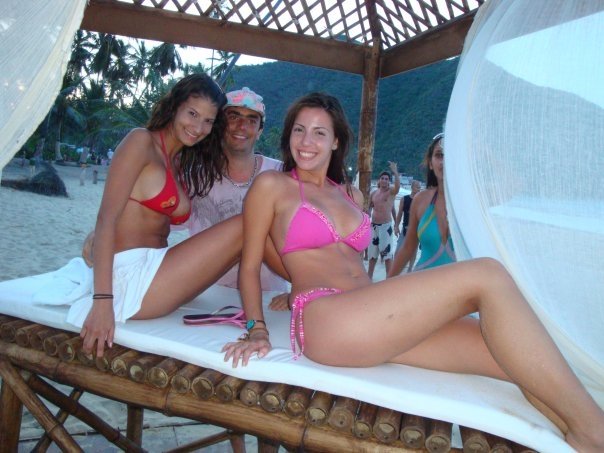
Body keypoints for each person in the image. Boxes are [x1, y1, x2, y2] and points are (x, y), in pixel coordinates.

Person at [222, 92, 604, 452]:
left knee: (508, 353)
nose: (307, 141)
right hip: (327, 320)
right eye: (299, 130)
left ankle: (583, 440)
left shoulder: (350, 194)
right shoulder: (272, 186)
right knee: (488, 275)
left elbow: (342, 260)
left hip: (368, 315)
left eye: (319, 132)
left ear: (336, 141)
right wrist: (256, 329)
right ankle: (597, 429)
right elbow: (251, 264)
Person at [80, 74, 268, 359]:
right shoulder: (141, 142)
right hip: (129, 281)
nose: (198, 127)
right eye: (192, 114)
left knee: (253, 226)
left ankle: (290, 298)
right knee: (249, 223)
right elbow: (107, 218)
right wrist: (102, 302)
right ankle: (258, 329)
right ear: (175, 106)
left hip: (154, 270)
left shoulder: (181, 161)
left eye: (208, 121)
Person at [187, 87, 289, 297]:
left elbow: (312, 238)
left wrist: (298, 289)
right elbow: (158, 229)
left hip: (268, 297)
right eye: (233, 117)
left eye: (252, 120)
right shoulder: (194, 177)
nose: (242, 126)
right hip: (206, 294)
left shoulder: (283, 175)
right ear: (219, 125)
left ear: (259, 131)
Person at [389, 134, 455, 275]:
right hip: (423, 283)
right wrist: (388, 281)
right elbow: (408, 247)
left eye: (451, 153)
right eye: (439, 155)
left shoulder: (474, 204)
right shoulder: (421, 200)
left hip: (463, 288)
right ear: (430, 164)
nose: (444, 161)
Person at [367, 164, 400, 278]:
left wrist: (395, 172)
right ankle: (369, 277)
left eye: (387, 179)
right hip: (374, 226)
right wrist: (367, 217)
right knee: (372, 254)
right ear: (379, 180)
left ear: (389, 181)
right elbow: (370, 207)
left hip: (386, 227)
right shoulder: (374, 193)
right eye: (382, 178)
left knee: (387, 255)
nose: (384, 180)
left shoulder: (391, 192)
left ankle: (388, 279)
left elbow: (397, 187)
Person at [394, 179, 420, 272]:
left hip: (416, 229)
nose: (419, 189)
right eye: (417, 187)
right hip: (405, 228)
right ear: (412, 187)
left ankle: (410, 269)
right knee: (398, 251)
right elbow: (400, 214)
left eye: (419, 187)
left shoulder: (420, 200)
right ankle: (396, 268)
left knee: (414, 251)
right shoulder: (404, 199)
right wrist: (396, 226)